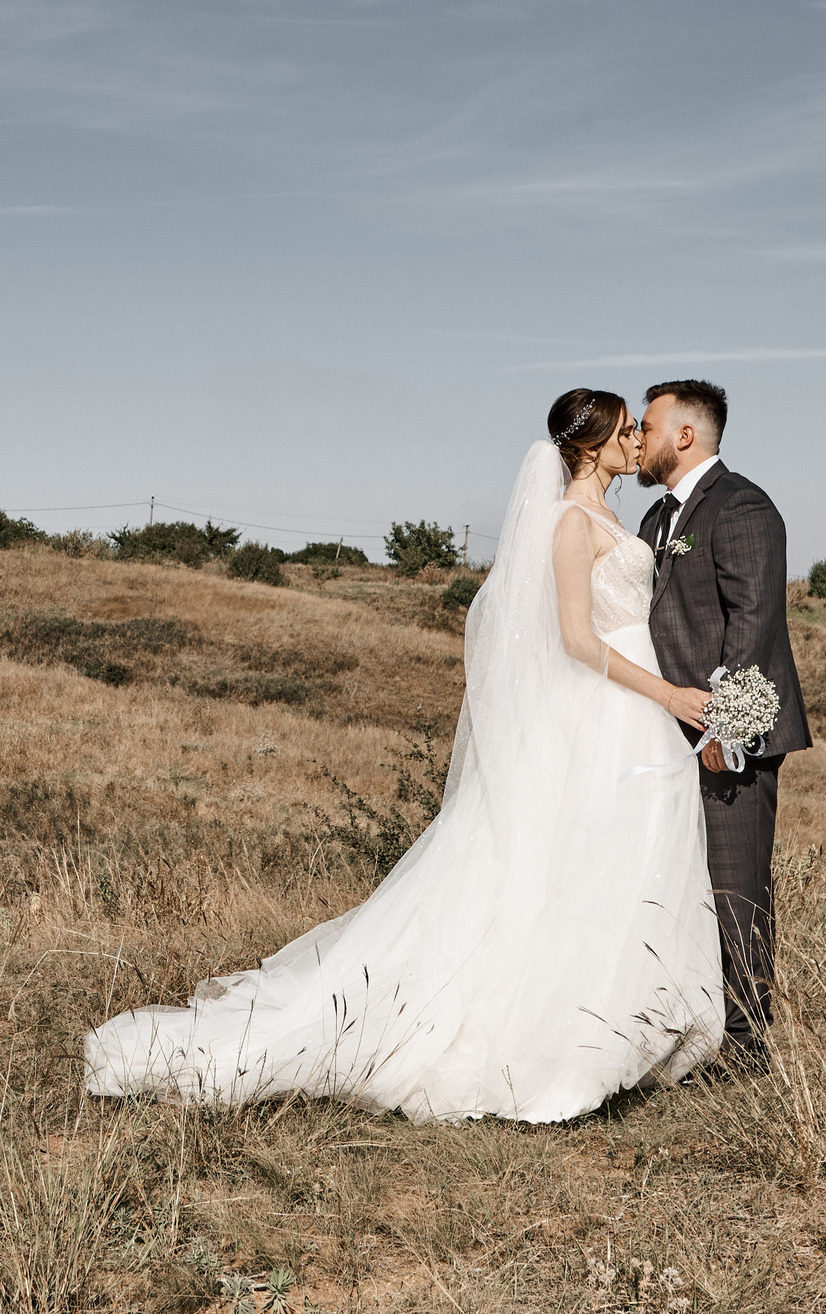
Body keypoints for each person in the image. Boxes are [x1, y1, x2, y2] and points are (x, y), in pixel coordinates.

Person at [82, 390, 726, 1122]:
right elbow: (578, 640)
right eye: (622, 433)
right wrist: (668, 694)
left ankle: (630, 1027)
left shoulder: (615, 516)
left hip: (633, 710)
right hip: (616, 703)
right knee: (577, 867)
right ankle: (562, 1044)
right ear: (591, 447)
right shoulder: (571, 523)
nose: (635, 443)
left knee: (619, 865)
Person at [633, 379, 811, 1070]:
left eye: (647, 426)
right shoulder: (655, 521)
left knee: (734, 883)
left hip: (725, 739)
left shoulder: (742, 507)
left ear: (685, 435)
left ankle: (745, 1045)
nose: (638, 440)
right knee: (678, 882)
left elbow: (754, 624)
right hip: (662, 732)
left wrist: (724, 732)